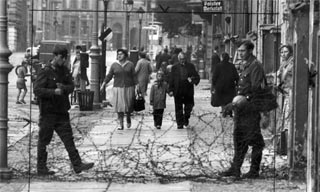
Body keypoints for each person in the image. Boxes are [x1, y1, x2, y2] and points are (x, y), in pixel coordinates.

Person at [33, 46, 94, 175]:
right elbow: (37, 90)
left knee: (68, 139)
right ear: (55, 56)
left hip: (61, 111)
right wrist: (53, 91)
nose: (63, 60)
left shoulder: (64, 71)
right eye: (62, 58)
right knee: (44, 140)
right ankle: (41, 168)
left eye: (65, 58)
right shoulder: (45, 71)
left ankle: (77, 165)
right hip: (48, 112)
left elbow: (71, 86)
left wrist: (64, 88)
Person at [220, 40, 266, 179]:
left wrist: (242, 99)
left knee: (256, 141)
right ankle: (235, 169)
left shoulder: (255, 66)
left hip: (250, 109)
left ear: (250, 51)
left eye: (243, 51)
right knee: (239, 139)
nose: (240, 53)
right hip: (241, 110)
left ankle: (254, 170)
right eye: (238, 51)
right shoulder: (245, 65)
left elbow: (256, 88)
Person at [100, 49, 137, 130]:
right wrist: (103, 84)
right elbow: (109, 75)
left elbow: (134, 76)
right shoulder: (114, 65)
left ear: (125, 55)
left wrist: (137, 86)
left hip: (129, 87)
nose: (119, 56)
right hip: (118, 88)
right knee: (119, 107)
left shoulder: (130, 64)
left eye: (121, 54)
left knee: (128, 105)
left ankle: (128, 117)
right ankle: (121, 123)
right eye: (118, 54)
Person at [168, 52, 200, 129]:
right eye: (181, 59)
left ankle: (186, 117)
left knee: (189, 106)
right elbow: (171, 79)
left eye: (184, 59)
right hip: (178, 89)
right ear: (179, 59)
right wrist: (170, 90)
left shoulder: (190, 66)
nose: (183, 61)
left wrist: (192, 80)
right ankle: (179, 123)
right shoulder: (174, 67)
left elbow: (197, 77)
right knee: (178, 107)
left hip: (188, 89)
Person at [274, 44, 294, 155]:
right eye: (281, 52)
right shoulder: (284, 65)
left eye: (285, 52)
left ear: (290, 52)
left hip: (291, 95)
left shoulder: (292, 64)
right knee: (284, 122)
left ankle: (288, 150)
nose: (283, 54)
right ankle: (283, 148)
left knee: (287, 122)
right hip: (285, 95)